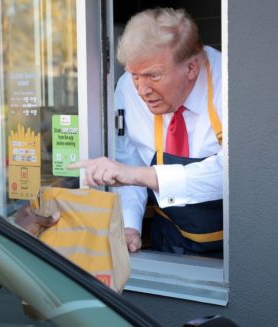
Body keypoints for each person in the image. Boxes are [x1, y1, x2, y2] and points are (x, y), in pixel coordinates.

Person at [66, 7, 224, 257]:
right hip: (168, 239)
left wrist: (139, 175)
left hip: (231, 251)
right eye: (135, 75)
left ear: (191, 68)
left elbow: (233, 173)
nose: (142, 89)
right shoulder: (128, 89)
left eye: (153, 75)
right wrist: (130, 226)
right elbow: (129, 163)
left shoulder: (228, 83)